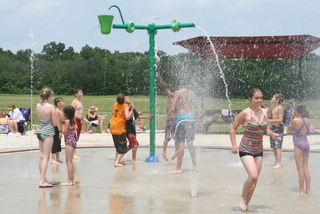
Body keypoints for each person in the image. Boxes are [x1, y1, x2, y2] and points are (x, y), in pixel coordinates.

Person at [230, 88, 279, 211]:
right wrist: (234, 145)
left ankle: (247, 203)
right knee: (253, 175)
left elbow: (264, 130)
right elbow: (232, 128)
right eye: (256, 98)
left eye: (261, 98)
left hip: (258, 150)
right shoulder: (245, 113)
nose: (259, 100)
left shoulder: (264, 112)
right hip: (246, 148)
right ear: (250, 99)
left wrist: (271, 133)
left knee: (255, 180)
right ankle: (242, 198)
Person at [167, 78, 199, 174]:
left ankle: (178, 168)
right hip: (190, 118)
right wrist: (196, 121)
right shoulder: (193, 94)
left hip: (182, 119)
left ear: (182, 83)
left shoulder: (178, 92)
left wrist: (166, 120)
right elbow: (197, 108)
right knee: (190, 143)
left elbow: (172, 107)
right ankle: (195, 166)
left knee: (181, 142)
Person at [36, 88, 58, 188]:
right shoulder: (51, 107)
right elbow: (54, 123)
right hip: (48, 131)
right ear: (49, 96)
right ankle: (42, 181)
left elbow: (40, 118)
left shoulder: (38, 105)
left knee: (41, 156)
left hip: (40, 130)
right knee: (46, 157)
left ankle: (43, 178)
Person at [287, 103, 311, 194]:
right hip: (306, 143)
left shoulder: (295, 120)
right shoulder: (306, 120)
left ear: (296, 111)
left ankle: (301, 190)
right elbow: (308, 131)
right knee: (305, 168)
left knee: (300, 168)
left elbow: (289, 129)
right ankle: (308, 190)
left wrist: (291, 117)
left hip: (298, 144)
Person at [124, 96, 152, 163]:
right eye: (127, 98)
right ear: (123, 100)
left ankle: (120, 155)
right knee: (135, 143)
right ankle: (133, 159)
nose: (129, 99)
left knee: (132, 144)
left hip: (132, 129)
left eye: (129, 98)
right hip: (128, 129)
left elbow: (137, 116)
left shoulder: (131, 108)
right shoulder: (125, 108)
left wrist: (147, 117)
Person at [156, 72, 176, 161]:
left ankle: (175, 151)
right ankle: (164, 151)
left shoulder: (177, 98)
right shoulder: (171, 95)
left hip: (175, 119)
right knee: (168, 136)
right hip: (171, 118)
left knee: (176, 136)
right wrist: (160, 78)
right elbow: (164, 87)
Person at [109, 93, 133, 167]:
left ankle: (117, 160)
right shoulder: (125, 106)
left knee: (117, 146)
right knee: (123, 147)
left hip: (113, 126)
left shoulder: (115, 104)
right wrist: (131, 109)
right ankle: (116, 163)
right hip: (119, 128)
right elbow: (127, 117)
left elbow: (113, 114)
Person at [61, 105, 78, 186]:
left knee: (68, 162)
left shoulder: (67, 122)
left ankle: (69, 181)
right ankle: (73, 180)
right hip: (73, 142)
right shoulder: (72, 121)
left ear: (66, 114)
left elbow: (65, 132)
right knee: (70, 162)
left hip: (69, 142)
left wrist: (63, 126)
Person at [71, 89, 90, 159]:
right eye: (80, 92)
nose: (81, 94)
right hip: (75, 120)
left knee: (77, 137)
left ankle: (74, 153)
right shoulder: (74, 102)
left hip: (80, 120)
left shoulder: (80, 102)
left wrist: (85, 120)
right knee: (74, 137)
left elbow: (80, 113)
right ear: (76, 94)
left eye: (82, 92)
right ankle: (73, 154)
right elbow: (72, 113)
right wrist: (73, 123)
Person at [268, 93, 285, 169]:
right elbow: (269, 116)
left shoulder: (280, 108)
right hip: (273, 127)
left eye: (273, 97)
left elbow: (280, 120)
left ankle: (279, 163)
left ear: (277, 100)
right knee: (273, 146)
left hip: (278, 128)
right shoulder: (272, 107)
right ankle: (276, 161)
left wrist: (270, 120)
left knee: (278, 145)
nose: (271, 98)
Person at [51, 97, 65, 164]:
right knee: (55, 142)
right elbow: (56, 122)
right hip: (56, 128)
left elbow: (60, 120)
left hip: (59, 128)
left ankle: (58, 158)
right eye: (62, 101)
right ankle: (52, 159)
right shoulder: (56, 111)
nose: (63, 103)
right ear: (58, 103)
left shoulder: (60, 111)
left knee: (58, 143)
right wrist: (59, 131)